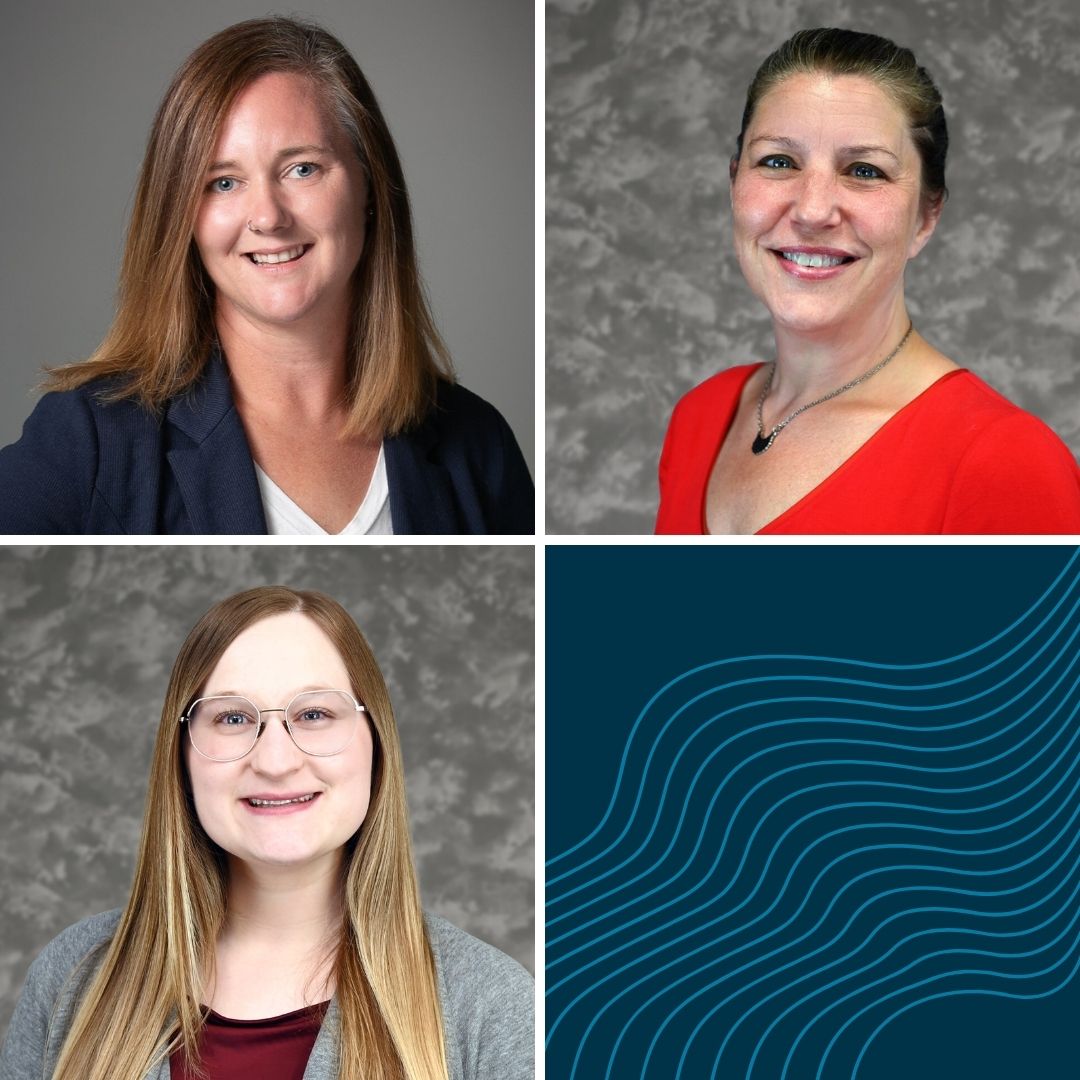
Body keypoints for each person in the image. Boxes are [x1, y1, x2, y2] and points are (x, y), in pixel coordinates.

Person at [0, 17, 533, 535]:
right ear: (181, 215)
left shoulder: (478, 445)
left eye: (302, 169)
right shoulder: (91, 441)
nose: (268, 217)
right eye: (223, 182)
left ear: (369, 187)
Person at [0, 587, 534, 1080]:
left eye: (315, 713)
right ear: (181, 753)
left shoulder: (492, 1005)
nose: (276, 761)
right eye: (233, 718)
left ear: (376, 742)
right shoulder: (75, 976)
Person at [655, 27, 1080, 535]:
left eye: (863, 171)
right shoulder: (699, 418)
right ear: (734, 184)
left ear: (925, 217)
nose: (813, 211)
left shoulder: (1003, 462)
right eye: (778, 162)